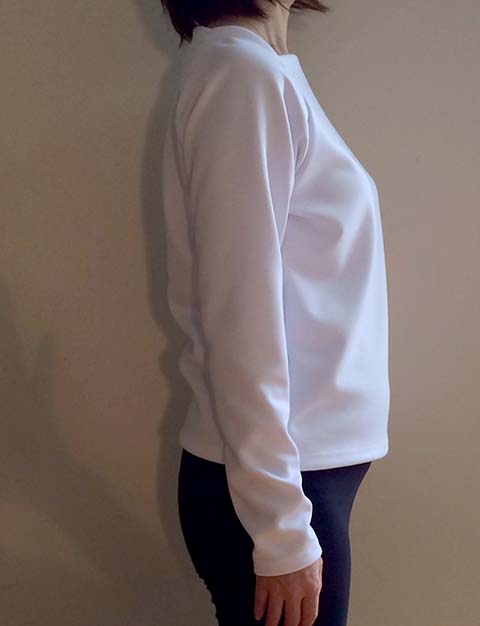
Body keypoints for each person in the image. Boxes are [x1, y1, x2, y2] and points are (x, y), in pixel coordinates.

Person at [160, 1, 391, 625]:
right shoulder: (241, 74)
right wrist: (281, 528)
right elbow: (239, 320)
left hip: (295, 478)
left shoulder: (259, 69)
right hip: (278, 488)